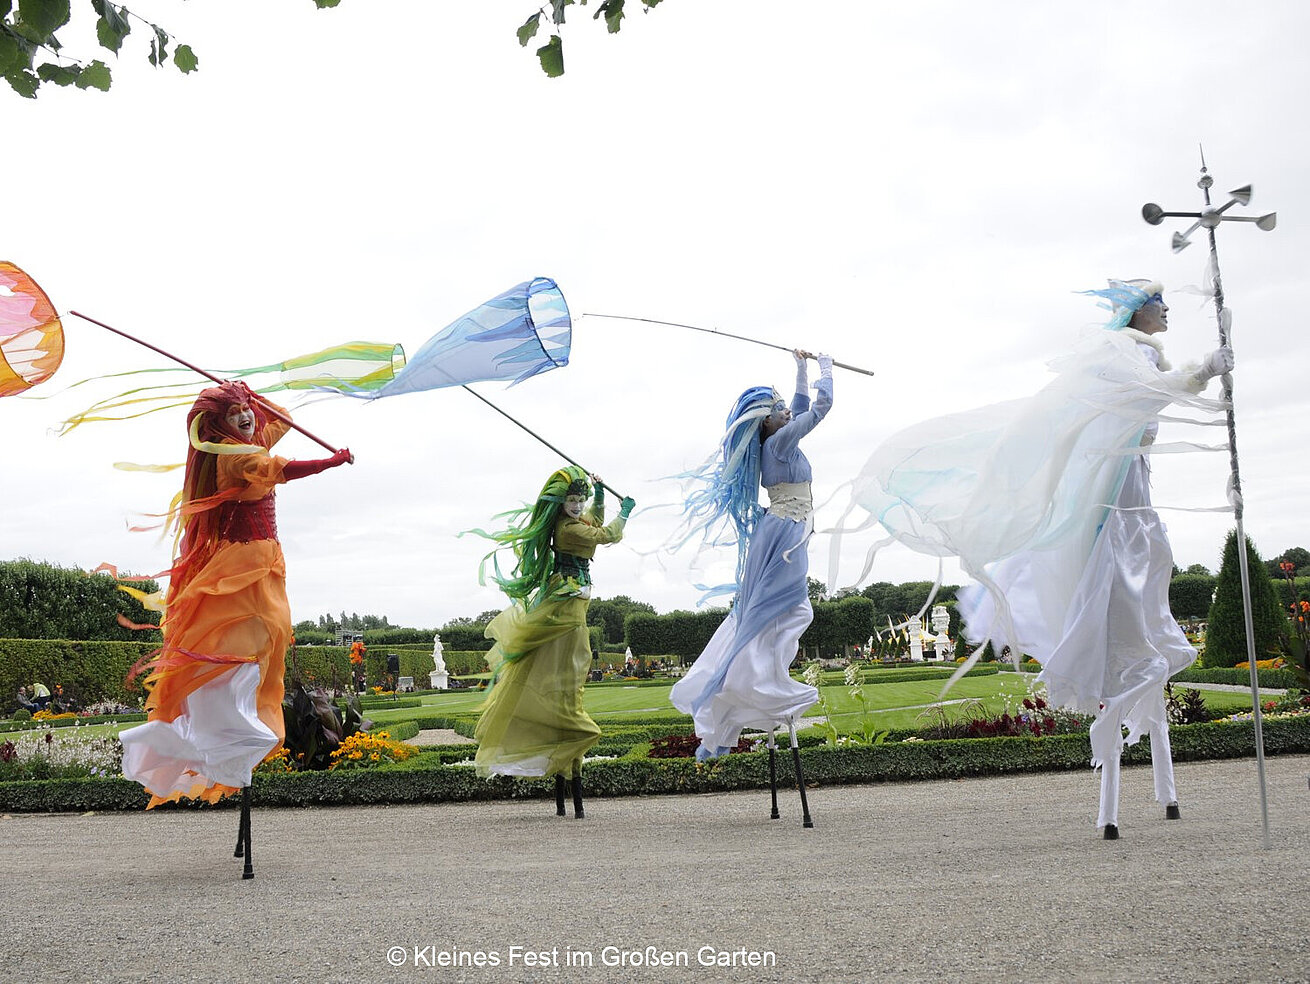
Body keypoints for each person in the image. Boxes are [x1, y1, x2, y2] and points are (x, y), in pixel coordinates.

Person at [845, 279, 1231, 839]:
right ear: (1136, 311)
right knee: (1123, 624)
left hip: (1138, 505)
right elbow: (1147, 396)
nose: (1167, 308)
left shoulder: (1140, 352)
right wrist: (1205, 369)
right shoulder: (1118, 353)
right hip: (1115, 511)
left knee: (1147, 621)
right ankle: (1118, 784)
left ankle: (1163, 784)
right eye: (1157, 300)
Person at [119, 380, 353, 808]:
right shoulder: (237, 458)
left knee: (272, 639)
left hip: (266, 564)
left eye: (246, 410)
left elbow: (282, 419)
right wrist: (330, 462)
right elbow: (281, 469)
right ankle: (228, 725)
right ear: (217, 425)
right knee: (248, 644)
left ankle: (237, 722)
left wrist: (246, 395)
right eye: (234, 413)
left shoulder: (247, 440)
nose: (246, 416)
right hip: (242, 566)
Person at [670, 350, 833, 825]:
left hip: (786, 530)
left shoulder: (778, 440)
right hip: (785, 534)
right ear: (767, 422)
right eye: (779, 408)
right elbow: (818, 410)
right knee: (787, 610)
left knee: (780, 612)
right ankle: (761, 683)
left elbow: (802, 406)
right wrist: (826, 368)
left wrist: (801, 368)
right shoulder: (780, 443)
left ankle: (755, 683)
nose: (787, 410)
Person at [471, 465, 635, 818]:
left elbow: (592, 523)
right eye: (571, 500)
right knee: (575, 666)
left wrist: (602, 496)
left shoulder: (573, 523)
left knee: (572, 672)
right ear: (561, 503)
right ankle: (571, 747)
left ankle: (566, 777)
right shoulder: (568, 529)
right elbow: (605, 535)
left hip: (573, 601)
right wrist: (625, 513)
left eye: (580, 500)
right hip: (568, 606)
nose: (576, 506)